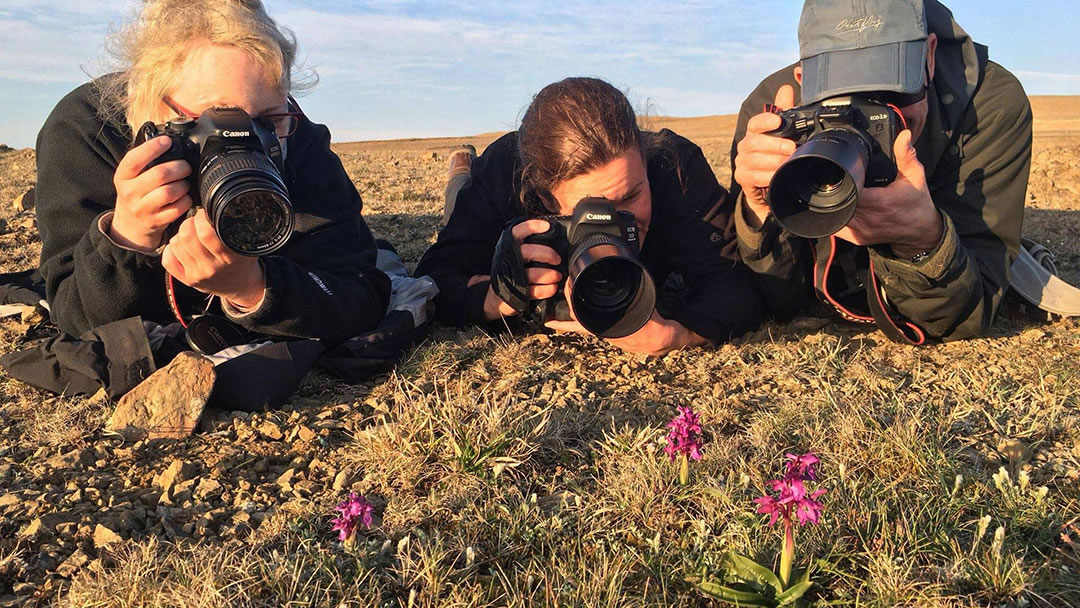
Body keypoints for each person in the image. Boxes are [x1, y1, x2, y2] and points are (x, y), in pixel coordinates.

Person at [5, 0, 392, 413]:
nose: (250, 139)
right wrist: (126, 240)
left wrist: (254, 287)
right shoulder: (85, 129)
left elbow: (356, 286)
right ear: (155, 112)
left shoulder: (295, 135)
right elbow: (77, 317)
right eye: (216, 120)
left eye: (269, 119)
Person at [727, 0, 1033, 343]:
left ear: (929, 58)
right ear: (803, 80)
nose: (870, 116)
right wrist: (761, 214)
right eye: (840, 95)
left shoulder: (988, 105)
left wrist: (923, 241)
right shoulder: (772, 113)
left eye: (891, 91)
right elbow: (774, 298)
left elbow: (970, 313)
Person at [416, 77, 763, 356]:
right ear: (544, 201)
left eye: (632, 195)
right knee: (458, 200)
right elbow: (433, 278)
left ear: (645, 160)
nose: (618, 221)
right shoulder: (501, 175)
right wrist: (492, 298)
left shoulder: (673, 168)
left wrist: (678, 335)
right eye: (592, 208)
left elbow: (736, 285)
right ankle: (461, 168)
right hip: (485, 184)